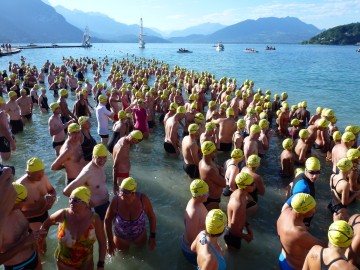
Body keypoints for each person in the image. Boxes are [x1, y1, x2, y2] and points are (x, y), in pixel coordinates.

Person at [40, 186, 106, 270]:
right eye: (70, 199)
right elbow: (46, 224)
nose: (71, 202)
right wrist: (41, 240)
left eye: (76, 200)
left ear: (85, 203)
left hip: (86, 263)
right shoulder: (63, 214)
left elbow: (102, 242)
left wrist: (100, 264)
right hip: (64, 263)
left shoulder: (95, 219)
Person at [104, 177, 156, 252]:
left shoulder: (143, 199)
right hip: (121, 239)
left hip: (140, 237)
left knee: (141, 254)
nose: (122, 194)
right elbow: (107, 220)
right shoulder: (116, 201)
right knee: (122, 259)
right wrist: (109, 241)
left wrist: (152, 237)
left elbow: (151, 216)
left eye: (126, 192)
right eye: (121, 190)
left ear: (133, 192)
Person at [16, 157, 57, 254]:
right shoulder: (20, 186)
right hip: (31, 218)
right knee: (38, 245)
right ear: (28, 173)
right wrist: (40, 211)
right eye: (37, 173)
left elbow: (52, 190)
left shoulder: (43, 177)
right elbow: (16, 213)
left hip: (44, 213)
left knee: (44, 241)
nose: (41, 175)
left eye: (42, 172)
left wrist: (52, 197)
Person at [0, 182, 43, 270]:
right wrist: (25, 243)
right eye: (24, 199)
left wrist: (37, 252)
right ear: (14, 201)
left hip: (34, 257)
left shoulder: (17, 210)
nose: (27, 201)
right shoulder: (1, 222)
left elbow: (27, 233)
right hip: (18, 266)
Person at [63, 144, 110, 221]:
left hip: (105, 204)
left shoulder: (100, 166)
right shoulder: (88, 172)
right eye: (99, 158)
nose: (102, 161)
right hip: (96, 209)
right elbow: (66, 191)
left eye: (104, 158)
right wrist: (85, 204)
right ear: (93, 157)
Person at [277, 193, 323, 270]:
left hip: (283, 258)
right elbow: (324, 247)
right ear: (304, 211)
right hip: (294, 267)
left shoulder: (285, 212)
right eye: (312, 208)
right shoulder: (298, 233)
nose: (315, 210)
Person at [182, 179, 209, 266]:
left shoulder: (197, 203)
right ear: (198, 196)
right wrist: (204, 252)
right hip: (192, 252)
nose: (208, 195)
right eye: (206, 193)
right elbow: (191, 240)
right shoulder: (193, 213)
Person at [225, 172, 254, 250]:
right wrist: (246, 237)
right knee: (233, 256)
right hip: (232, 236)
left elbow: (240, 215)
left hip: (235, 233)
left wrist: (247, 225)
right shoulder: (239, 203)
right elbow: (233, 229)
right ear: (245, 187)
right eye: (252, 184)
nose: (254, 185)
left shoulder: (238, 193)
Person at [199, 141, 226, 211]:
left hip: (209, 196)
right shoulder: (209, 169)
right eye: (214, 151)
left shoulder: (201, 162)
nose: (215, 152)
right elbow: (223, 184)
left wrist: (219, 169)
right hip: (212, 200)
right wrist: (223, 173)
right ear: (209, 152)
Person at [0, 97, 16, 161]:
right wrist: (12, 142)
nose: (5, 105)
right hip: (3, 138)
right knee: (6, 160)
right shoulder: (1, 114)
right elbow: (4, 129)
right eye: (4, 103)